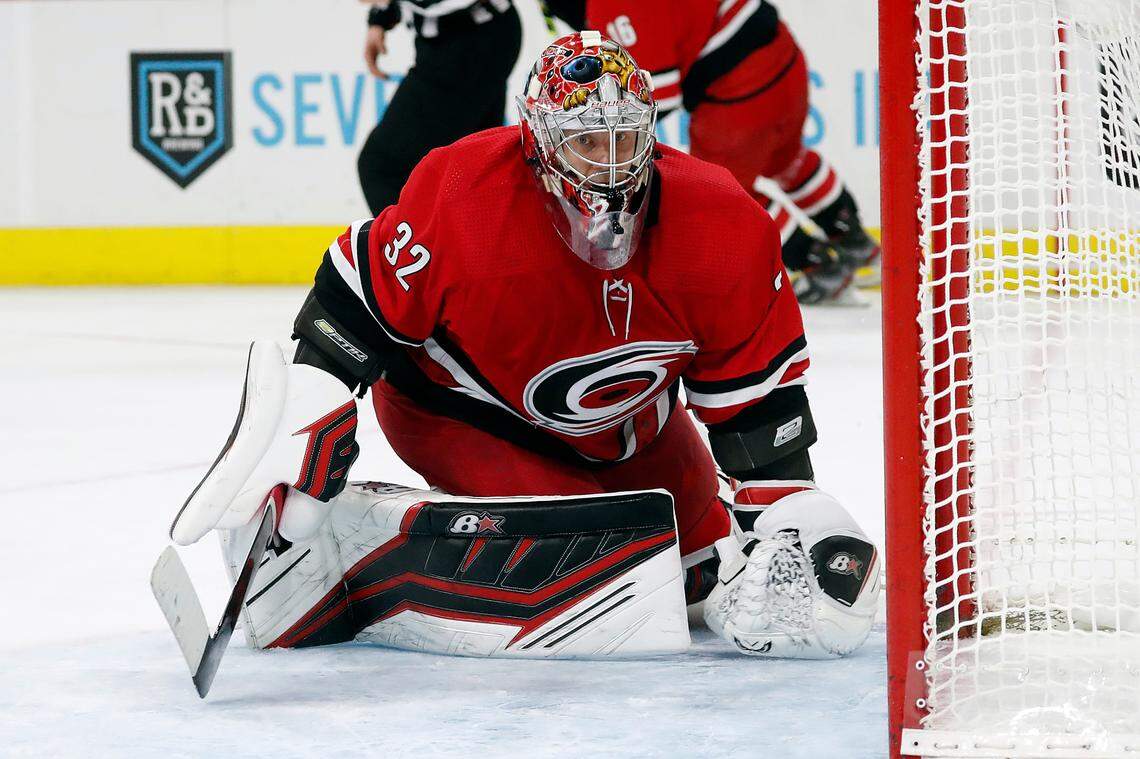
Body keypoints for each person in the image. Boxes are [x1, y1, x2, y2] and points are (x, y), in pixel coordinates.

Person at [171, 33, 880, 659]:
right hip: (464, 407)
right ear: (537, 141)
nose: (608, 167)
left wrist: (786, 511)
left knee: (696, 577)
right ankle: (369, 557)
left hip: (630, 427)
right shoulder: (464, 192)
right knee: (610, 577)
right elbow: (358, 296)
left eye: (623, 139)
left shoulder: (724, 223)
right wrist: (313, 394)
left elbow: (758, 409)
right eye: (585, 141)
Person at [546, 0, 881, 304]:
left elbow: (653, 99)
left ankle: (813, 261)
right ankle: (853, 238)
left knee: (722, 196)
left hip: (739, 92)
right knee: (787, 159)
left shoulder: (614, 7)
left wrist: (600, 138)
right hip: (783, 59)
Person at [357, 0, 522, 215]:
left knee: (381, 166)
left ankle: (419, 248)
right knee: (476, 172)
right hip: (469, 39)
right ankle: (474, 245)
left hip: (469, 45)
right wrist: (380, 18)